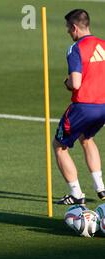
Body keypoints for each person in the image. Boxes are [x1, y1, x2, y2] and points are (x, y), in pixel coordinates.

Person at [54, 9, 105, 205]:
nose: (68, 32)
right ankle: (100, 187)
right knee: (87, 138)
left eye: (68, 28)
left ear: (75, 27)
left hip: (84, 106)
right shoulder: (103, 44)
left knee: (59, 146)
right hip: (103, 106)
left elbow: (75, 83)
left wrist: (66, 82)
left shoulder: (75, 48)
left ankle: (76, 194)